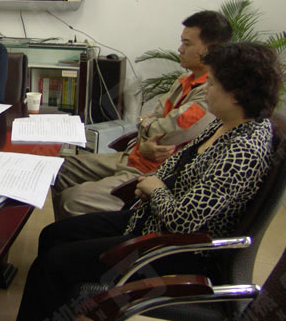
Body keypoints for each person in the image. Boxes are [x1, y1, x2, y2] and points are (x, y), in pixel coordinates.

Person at [16, 42, 283, 321]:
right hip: (147, 219)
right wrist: (152, 183)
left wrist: (155, 190)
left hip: (172, 249)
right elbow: (178, 164)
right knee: (52, 235)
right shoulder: (225, 122)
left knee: (53, 264)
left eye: (213, 83)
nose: (206, 89)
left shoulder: (243, 151)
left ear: (237, 95)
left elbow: (184, 221)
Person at [53, 11, 232, 220]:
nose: (180, 48)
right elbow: (151, 119)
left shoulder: (209, 94)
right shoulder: (183, 81)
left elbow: (166, 134)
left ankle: (84, 236)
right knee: (58, 169)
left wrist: (146, 126)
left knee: (71, 200)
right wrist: (146, 131)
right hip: (133, 156)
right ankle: (65, 233)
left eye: (187, 43)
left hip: (151, 173)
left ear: (210, 49)